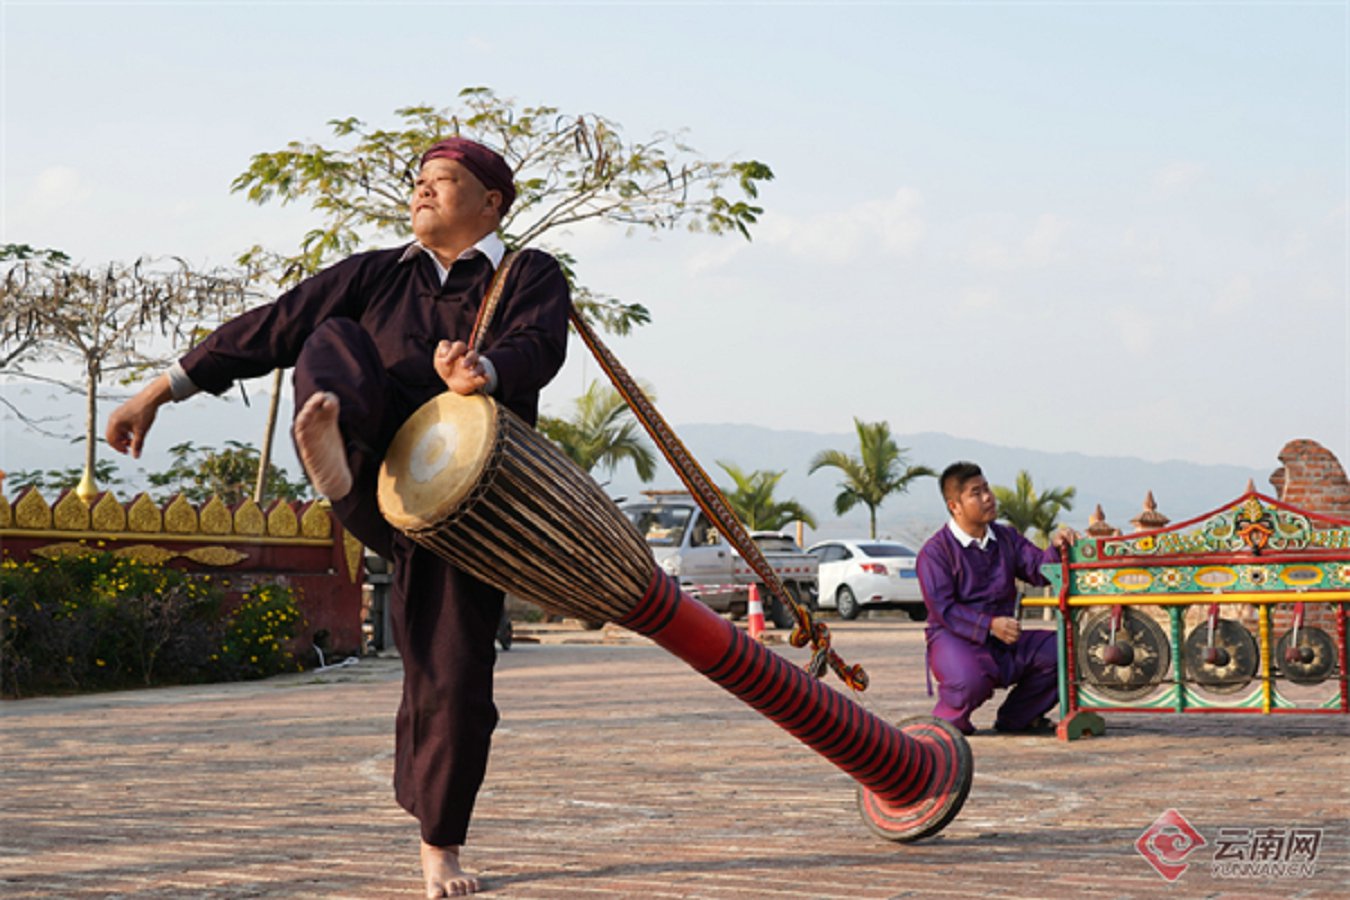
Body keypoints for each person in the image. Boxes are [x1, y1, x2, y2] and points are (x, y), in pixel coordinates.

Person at [106, 136, 571, 897]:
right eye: (419, 181)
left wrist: (480, 373)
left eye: (444, 182)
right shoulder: (376, 272)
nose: (422, 192)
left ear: (491, 204)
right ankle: (334, 446)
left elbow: (539, 346)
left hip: (469, 505)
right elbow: (267, 327)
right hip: (374, 478)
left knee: (450, 677)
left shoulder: (528, 274)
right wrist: (157, 392)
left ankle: (439, 848)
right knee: (325, 334)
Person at [915, 461, 1076, 736]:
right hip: (955, 638)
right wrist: (990, 625)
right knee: (967, 681)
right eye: (976, 493)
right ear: (955, 506)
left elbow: (1038, 569)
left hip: (1006, 638)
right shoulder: (935, 553)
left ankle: (1017, 718)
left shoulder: (1006, 538)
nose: (988, 497)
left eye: (986, 488)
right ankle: (948, 724)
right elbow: (944, 609)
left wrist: (1057, 548)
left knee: (1064, 651)